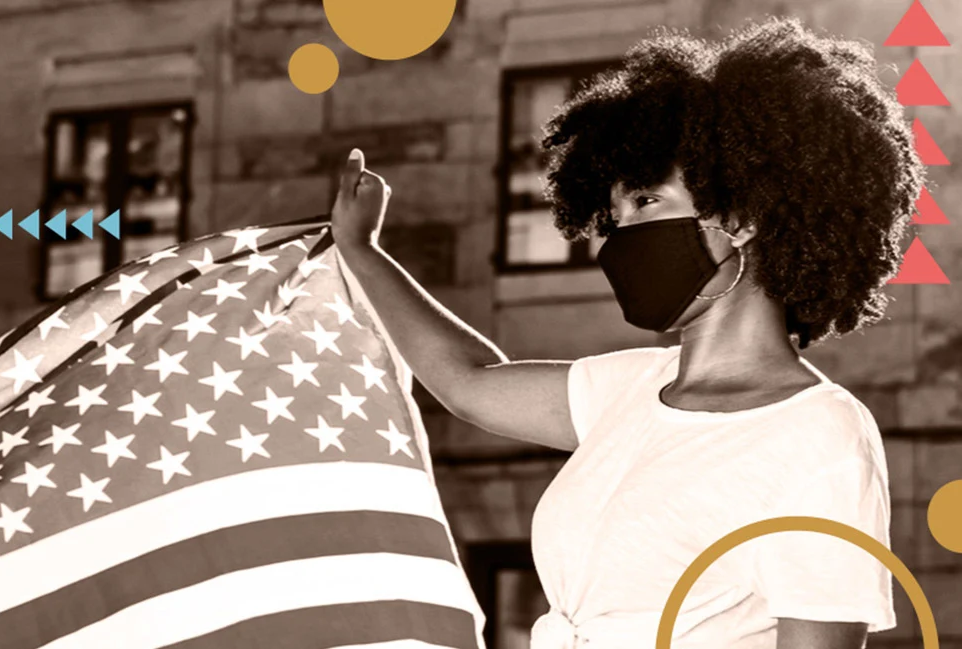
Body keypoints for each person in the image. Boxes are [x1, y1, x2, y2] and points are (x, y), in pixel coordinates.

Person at [330, 16, 923, 649]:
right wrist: (361, 249)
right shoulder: (634, 388)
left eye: (645, 202)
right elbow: (467, 382)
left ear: (742, 215)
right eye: (612, 217)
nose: (620, 239)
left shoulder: (816, 433)